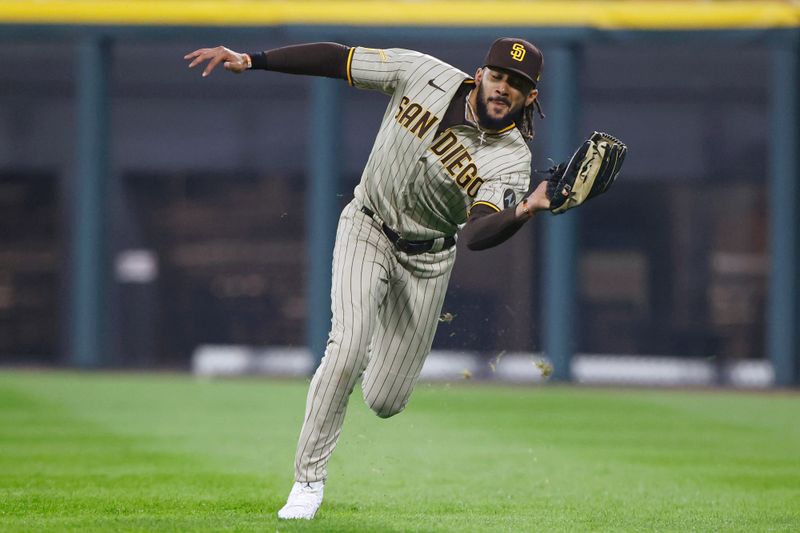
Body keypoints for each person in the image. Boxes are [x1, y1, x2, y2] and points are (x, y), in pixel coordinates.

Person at [185, 38, 551, 520]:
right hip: (368, 226)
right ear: (481, 73)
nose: (505, 88)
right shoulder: (423, 72)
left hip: (428, 261)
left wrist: (523, 210)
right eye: (500, 75)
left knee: (384, 400)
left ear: (530, 98)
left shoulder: (510, 159)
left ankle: (381, 332)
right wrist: (254, 61)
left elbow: (478, 234)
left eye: (518, 84)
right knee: (347, 348)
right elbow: (339, 60)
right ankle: (307, 483)